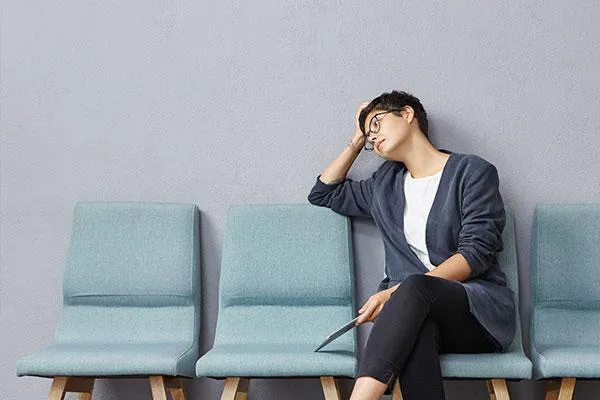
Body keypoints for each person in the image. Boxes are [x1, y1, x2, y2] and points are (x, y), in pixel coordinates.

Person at [307, 90, 515, 400]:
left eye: (376, 124)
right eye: (368, 137)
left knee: (413, 289)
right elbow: (323, 193)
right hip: (414, 313)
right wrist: (355, 140)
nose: (372, 139)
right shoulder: (384, 185)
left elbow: (476, 253)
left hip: (475, 313)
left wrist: (395, 292)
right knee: (417, 329)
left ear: (406, 114)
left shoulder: (472, 172)